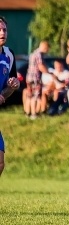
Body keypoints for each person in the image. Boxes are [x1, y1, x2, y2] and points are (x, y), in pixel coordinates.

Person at [0, 17, 21, 177]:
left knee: (0, 162)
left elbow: (10, 88)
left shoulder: (9, 55)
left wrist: (13, 85)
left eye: (4, 30)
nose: (2, 33)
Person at [25, 40, 51, 119]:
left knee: (29, 95)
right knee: (35, 96)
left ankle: (27, 113)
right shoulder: (39, 54)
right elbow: (40, 66)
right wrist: (49, 73)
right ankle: (34, 114)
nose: (47, 51)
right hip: (35, 78)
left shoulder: (33, 53)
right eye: (47, 49)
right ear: (44, 47)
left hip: (29, 77)